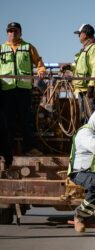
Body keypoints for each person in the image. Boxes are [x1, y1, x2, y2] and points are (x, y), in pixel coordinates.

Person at [0, 22, 46, 167]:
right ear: (7, 33)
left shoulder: (28, 47)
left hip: (23, 89)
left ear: (20, 32)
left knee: (26, 119)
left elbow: (38, 62)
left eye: (15, 31)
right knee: (7, 121)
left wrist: (41, 70)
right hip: (6, 90)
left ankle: (30, 148)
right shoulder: (1, 49)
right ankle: (8, 149)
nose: (12, 33)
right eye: (10, 31)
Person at [61, 24, 95, 119]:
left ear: (85, 34)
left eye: (79, 34)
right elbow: (79, 67)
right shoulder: (85, 50)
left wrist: (91, 85)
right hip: (83, 89)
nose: (78, 36)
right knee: (84, 118)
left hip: (92, 90)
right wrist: (68, 67)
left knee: (92, 118)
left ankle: (93, 134)